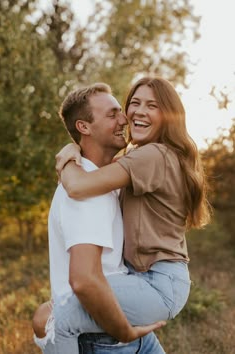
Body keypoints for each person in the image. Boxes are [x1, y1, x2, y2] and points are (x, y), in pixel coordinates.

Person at [54, 76, 211, 347]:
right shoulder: (150, 156)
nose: (138, 111)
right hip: (154, 279)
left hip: (156, 282)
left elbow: (78, 186)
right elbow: (102, 165)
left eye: (152, 106)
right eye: (134, 103)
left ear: (169, 116)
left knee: (59, 315)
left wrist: (66, 155)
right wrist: (77, 145)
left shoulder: (153, 156)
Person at [33, 82, 166, 354]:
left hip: (121, 329)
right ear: (84, 127)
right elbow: (84, 279)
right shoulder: (86, 197)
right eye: (112, 114)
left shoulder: (100, 179)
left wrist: (69, 152)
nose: (124, 119)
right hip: (106, 338)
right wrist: (124, 332)